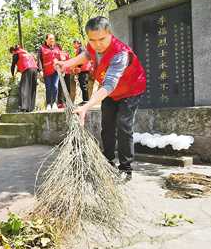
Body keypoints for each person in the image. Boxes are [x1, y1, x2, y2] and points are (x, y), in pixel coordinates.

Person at [55, 16, 147, 182]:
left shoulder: (120, 53)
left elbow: (110, 84)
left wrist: (86, 106)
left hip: (131, 89)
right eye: (92, 40)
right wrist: (67, 64)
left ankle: (126, 169)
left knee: (123, 125)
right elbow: (86, 55)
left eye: (102, 39)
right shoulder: (93, 46)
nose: (97, 44)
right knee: (107, 125)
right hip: (110, 93)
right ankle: (108, 162)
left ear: (110, 34)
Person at [38, 34, 64, 110]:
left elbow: (61, 57)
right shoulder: (42, 48)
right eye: (50, 39)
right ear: (46, 40)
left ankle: (55, 103)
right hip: (46, 71)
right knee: (48, 87)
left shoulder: (58, 47)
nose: (52, 40)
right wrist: (40, 70)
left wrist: (62, 67)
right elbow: (39, 59)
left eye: (53, 39)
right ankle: (49, 103)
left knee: (55, 86)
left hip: (56, 70)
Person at [10, 45, 39, 112]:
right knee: (32, 88)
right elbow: (24, 62)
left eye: (11, 53)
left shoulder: (16, 54)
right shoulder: (25, 52)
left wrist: (12, 75)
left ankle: (24, 107)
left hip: (27, 69)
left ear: (13, 51)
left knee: (23, 88)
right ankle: (31, 108)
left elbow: (12, 66)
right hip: (35, 69)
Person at [74, 39, 94, 105]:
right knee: (83, 85)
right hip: (84, 69)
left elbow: (81, 59)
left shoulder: (81, 49)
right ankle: (85, 100)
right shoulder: (82, 49)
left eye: (74, 43)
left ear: (78, 43)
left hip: (84, 69)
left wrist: (78, 67)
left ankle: (86, 100)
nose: (73, 45)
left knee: (83, 85)